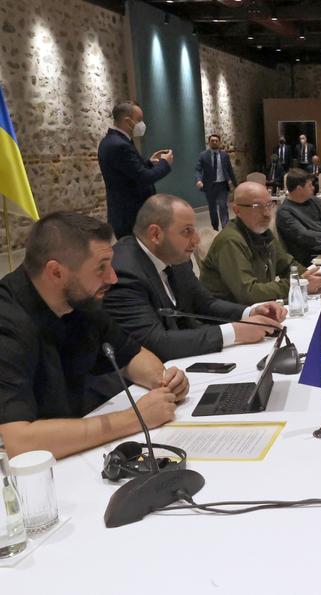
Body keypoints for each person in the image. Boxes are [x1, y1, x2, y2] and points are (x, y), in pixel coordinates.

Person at [0, 212, 189, 459]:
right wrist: (135, 418)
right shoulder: (8, 324)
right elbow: (20, 442)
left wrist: (164, 382)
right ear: (56, 272)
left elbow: (131, 354)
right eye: (101, 267)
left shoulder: (81, 300)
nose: (113, 277)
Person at [103, 194, 285, 362]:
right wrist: (236, 331)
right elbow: (155, 342)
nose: (196, 240)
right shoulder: (123, 273)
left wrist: (250, 313)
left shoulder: (175, 256)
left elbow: (205, 304)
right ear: (155, 234)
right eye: (187, 231)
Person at [200, 182, 321, 305]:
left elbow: (287, 265)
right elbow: (249, 293)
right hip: (230, 314)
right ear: (237, 210)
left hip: (257, 307)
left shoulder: (262, 233)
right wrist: (297, 284)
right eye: (257, 207)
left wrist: (310, 276)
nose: (266, 214)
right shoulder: (230, 241)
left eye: (269, 205)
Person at [98, 100, 173, 239]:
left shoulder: (116, 141)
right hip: (130, 215)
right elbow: (143, 178)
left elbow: (130, 171)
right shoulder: (119, 145)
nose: (142, 124)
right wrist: (165, 163)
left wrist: (150, 163)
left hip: (127, 213)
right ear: (128, 121)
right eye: (139, 120)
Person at [195, 134, 237, 231]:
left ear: (219, 142)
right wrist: (199, 180)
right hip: (209, 186)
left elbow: (230, 170)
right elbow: (198, 169)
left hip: (222, 185)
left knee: (223, 206)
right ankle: (215, 228)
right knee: (212, 208)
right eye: (212, 141)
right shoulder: (203, 155)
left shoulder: (225, 155)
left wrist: (236, 185)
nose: (214, 142)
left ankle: (225, 229)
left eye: (216, 141)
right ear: (209, 143)